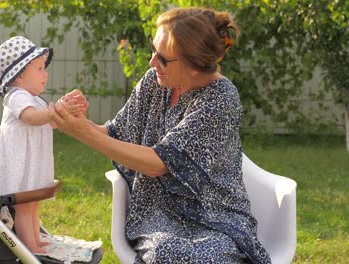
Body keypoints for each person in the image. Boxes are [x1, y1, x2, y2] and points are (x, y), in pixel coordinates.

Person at [49, 7, 272, 264]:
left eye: (163, 58)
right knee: (166, 251)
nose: (152, 62)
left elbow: (159, 163)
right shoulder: (154, 82)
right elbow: (116, 133)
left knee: (190, 255)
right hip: (157, 215)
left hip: (215, 219)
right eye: (152, 49)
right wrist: (78, 121)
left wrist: (84, 132)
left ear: (194, 64)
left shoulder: (220, 99)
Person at [0, 36, 86, 253]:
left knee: (33, 204)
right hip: (19, 167)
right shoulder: (16, 96)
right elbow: (31, 118)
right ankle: (28, 246)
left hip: (32, 165)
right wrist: (53, 110)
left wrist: (63, 111)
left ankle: (36, 239)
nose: (46, 73)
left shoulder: (35, 99)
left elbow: (48, 122)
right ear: (19, 74)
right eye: (40, 68)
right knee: (23, 205)